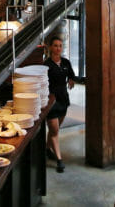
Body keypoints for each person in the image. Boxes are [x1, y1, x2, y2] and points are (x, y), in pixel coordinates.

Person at [44, 34, 77, 173]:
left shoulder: (65, 62)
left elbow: (71, 75)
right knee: (55, 130)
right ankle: (59, 160)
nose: (58, 48)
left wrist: (71, 80)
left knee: (54, 130)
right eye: (55, 46)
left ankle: (46, 149)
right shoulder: (46, 65)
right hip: (51, 101)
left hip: (63, 99)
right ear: (51, 47)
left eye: (60, 46)